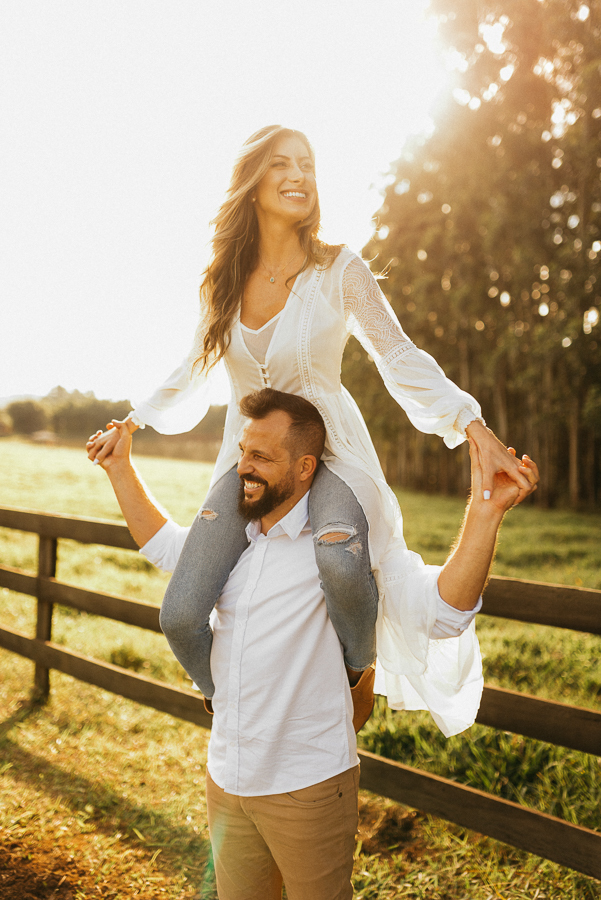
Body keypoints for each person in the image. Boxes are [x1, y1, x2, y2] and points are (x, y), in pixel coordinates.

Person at [87, 124, 533, 721]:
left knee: (342, 565)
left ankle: (357, 669)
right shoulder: (221, 282)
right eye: (282, 164)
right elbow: (194, 365)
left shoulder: (339, 270)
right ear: (253, 183)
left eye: (308, 165)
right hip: (250, 460)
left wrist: (470, 423)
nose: (299, 175)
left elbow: (396, 355)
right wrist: (137, 421)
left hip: (332, 455)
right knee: (181, 611)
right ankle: (228, 703)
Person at [96, 388, 538, 900]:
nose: (243, 467)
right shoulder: (231, 540)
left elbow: (443, 612)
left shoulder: (342, 548)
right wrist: (120, 468)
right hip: (226, 781)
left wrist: (487, 513)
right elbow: (168, 548)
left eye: (261, 457)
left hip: (307, 787)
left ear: (306, 466)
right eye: (242, 451)